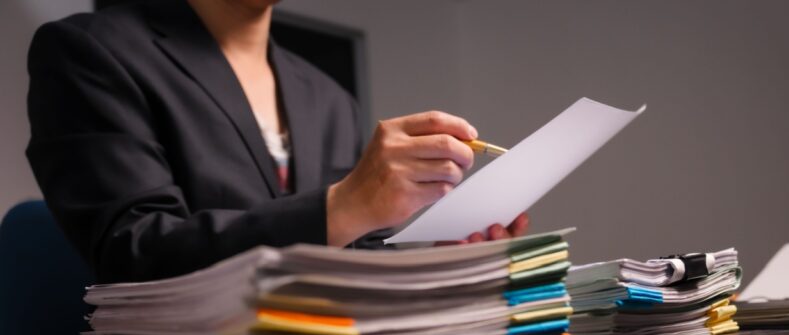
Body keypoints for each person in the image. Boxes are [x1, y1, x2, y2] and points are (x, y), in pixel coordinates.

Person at [26, 0, 528, 283]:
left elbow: (355, 253)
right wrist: (343, 205)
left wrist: (440, 254)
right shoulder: (91, 51)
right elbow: (132, 250)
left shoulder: (328, 96)